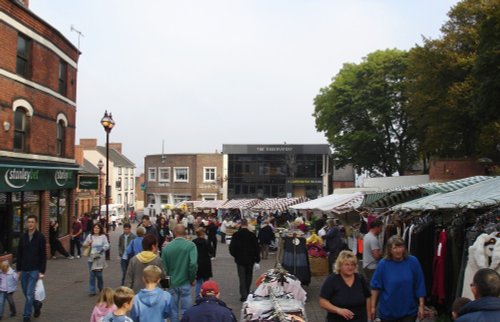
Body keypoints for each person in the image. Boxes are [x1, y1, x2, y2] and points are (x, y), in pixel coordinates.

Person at [370, 235, 426, 322]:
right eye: (395, 248)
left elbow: (420, 284)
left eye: (400, 247)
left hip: (409, 311)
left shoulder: (413, 261)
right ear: (389, 250)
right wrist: (373, 307)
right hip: (388, 312)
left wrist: (421, 305)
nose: (398, 250)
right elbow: (375, 287)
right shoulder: (383, 264)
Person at [319, 250, 371, 322]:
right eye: (347, 264)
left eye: (352, 265)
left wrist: (368, 318)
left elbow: (368, 297)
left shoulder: (360, 278)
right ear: (340, 265)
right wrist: (338, 310)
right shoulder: (332, 280)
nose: (350, 267)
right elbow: (323, 302)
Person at [161, 224, 197, 322]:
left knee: (173, 311)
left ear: (174, 233)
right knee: (186, 311)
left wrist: (165, 285)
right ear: (184, 233)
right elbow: (193, 264)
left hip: (172, 283)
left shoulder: (167, 248)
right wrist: (192, 278)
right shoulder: (191, 246)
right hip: (185, 281)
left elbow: (163, 269)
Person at [16, 214, 46, 322]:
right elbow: (19, 254)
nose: (30, 224)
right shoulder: (23, 237)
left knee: (29, 293)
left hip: (34, 270)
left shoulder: (40, 237)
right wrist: (18, 270)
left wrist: (42, 271)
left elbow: (43, 255)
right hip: (24, 269)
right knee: (26, 292)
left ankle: (26, 315)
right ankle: (37, 305)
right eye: (29, 222)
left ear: (36, 223)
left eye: (32, 222)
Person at [229, 218, 260, 302]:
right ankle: (247, 290)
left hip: (240, 260)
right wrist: (257, 259)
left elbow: (231, 248)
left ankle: (244, 295)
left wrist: (235, 255)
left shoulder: (236, 235)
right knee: (249, 276)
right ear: (247, 224)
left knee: (242, 277)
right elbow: (257, 248)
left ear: (240, 224)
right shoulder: (252, 235)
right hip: (250, 259)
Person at [83, 223, 110, 296]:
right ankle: (92, 291)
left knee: (99, 275)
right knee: (92, 275)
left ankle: (101, 288)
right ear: (93, 229)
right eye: (95, 228)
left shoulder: (103, 236)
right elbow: (84, 244)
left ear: (100, 229)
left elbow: (107, 245)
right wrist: (88, 243)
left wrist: (102, 249)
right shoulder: (90, 236)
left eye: (98, 228)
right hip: (91, 258)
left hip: (100, 259)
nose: (96, 229)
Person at [192, 227, 213, 300]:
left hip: (197, 262)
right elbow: (211, 251)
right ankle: (207, 296)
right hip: (206, 262)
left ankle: (198, 297)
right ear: (203, 233)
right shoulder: (207, 242)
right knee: (206, 281)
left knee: (198, 281)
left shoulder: (193, 242)